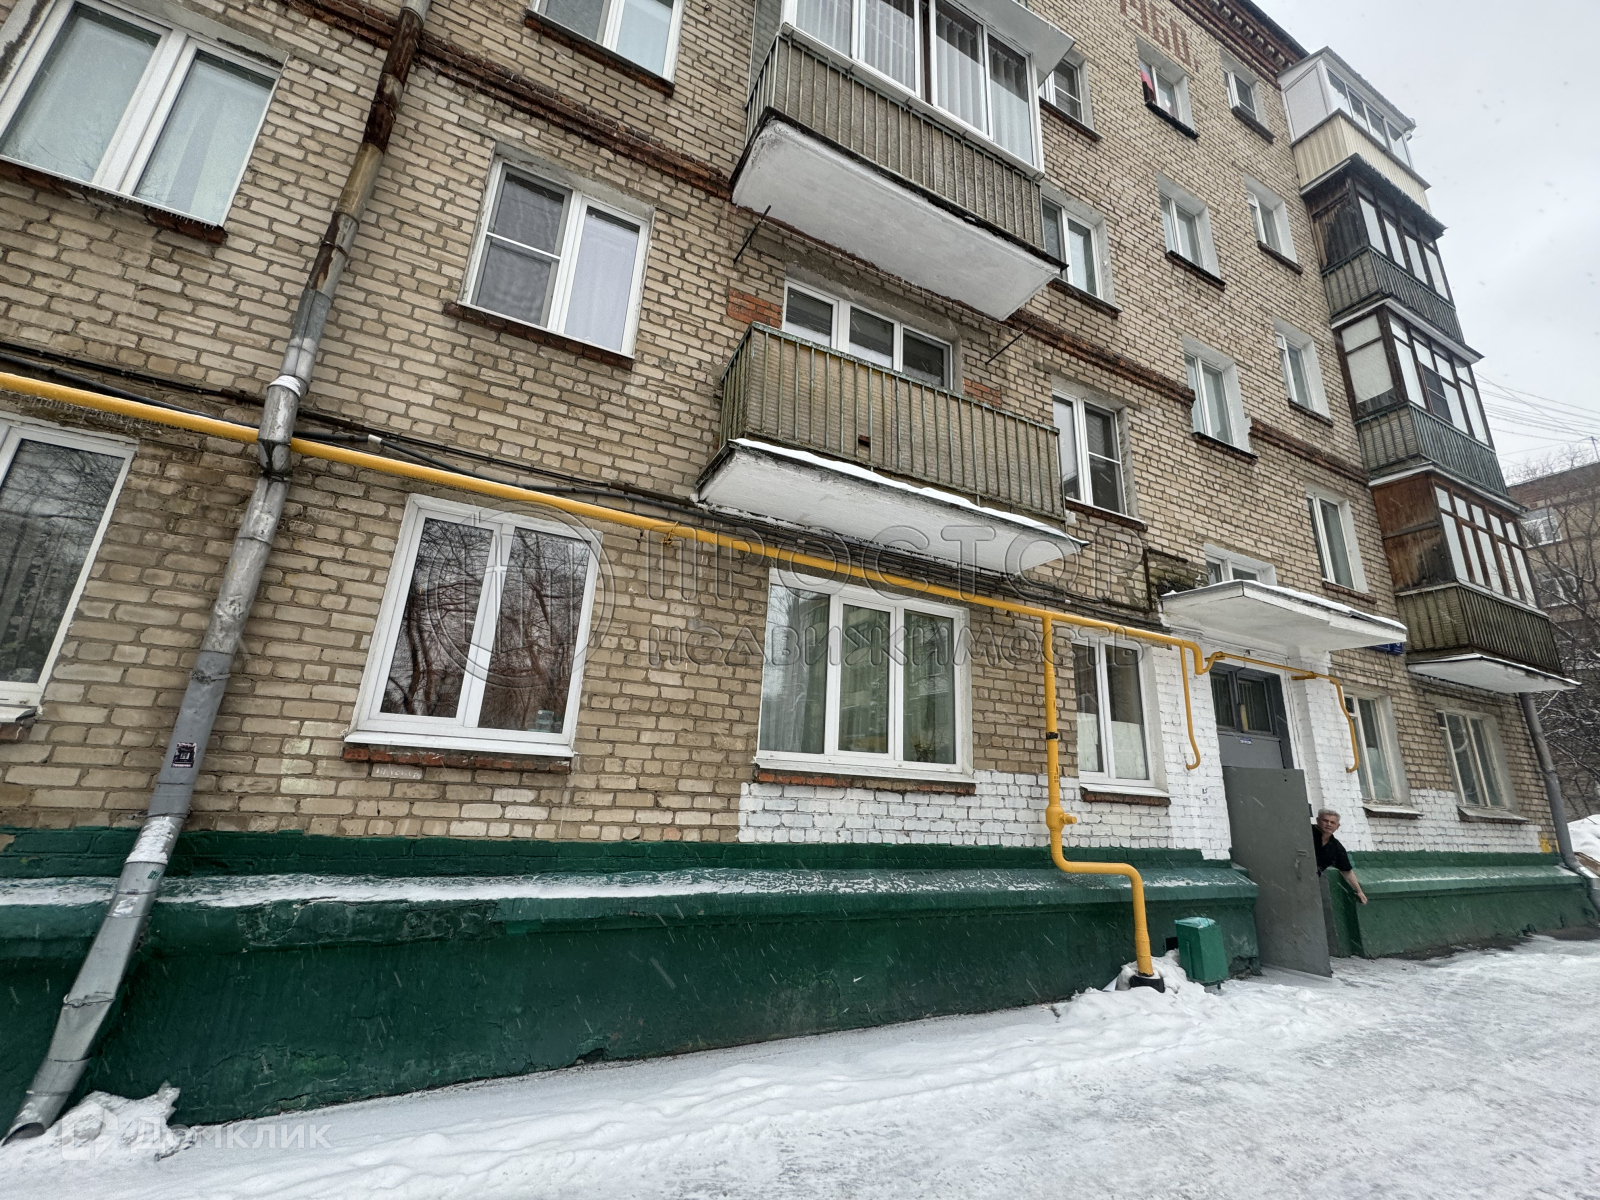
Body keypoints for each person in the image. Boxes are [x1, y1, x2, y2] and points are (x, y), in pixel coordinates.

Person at [1313, 808, 1367, 905]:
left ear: (1337, 826)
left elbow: (1347, 871)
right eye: (1325, 820)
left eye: (1332, 822)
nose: (1328, 824)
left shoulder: (1336, 847)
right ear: (1317, 821)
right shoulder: (1307, 833)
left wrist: (1359, 891)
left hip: (1312, 882)